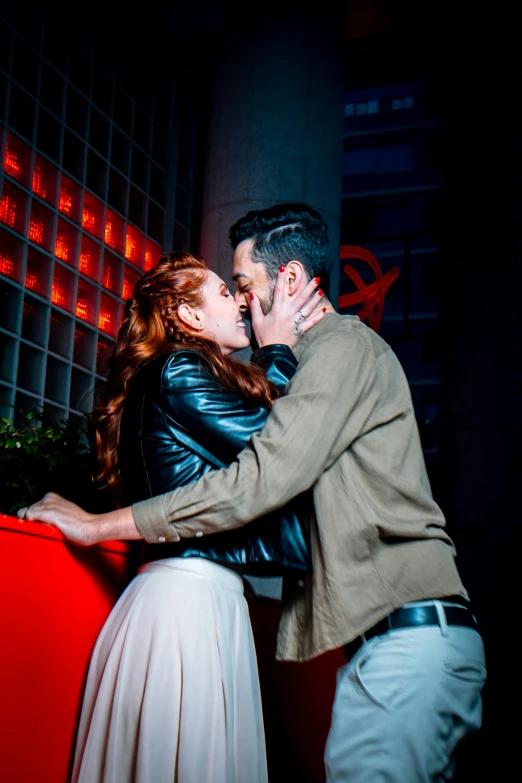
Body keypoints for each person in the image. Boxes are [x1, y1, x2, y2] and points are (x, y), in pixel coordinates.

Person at [21, 204, 487, 782]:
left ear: (289, 280)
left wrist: (100, 525)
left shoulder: (340, 351)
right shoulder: (276, 366)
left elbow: (260, 478)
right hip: (390, 648)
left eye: (242, 285)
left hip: (406, 646)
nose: (241, 301)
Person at [31, 250, 324, 783]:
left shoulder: (183, 373)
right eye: (221, 292)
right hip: (186, 602)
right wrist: (278, 349)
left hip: (198, 598)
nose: (238, 300)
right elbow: (278, 449)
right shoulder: (178, 367)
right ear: (188, 317)